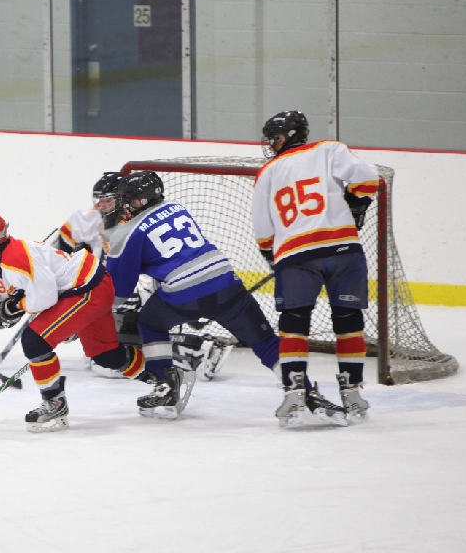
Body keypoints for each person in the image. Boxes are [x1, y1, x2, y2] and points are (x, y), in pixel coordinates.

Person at [106, 170, 348, 426]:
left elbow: (119, 292)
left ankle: (164, 386)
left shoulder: (126, 232)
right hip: (225, 282)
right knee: (265, 341)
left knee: (150, 323)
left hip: (184, 294)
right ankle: (305, 392)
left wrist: (97, 314)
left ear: (137, 200)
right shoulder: (176, 208)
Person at [0, 212, 146, 432]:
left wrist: (14, 307)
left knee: (35, 340)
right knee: (105, 354)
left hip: (87, 288)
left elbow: (45, 298)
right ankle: (160, 377)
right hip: (84, 288)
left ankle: (55, 403)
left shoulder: (16, 257)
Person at [253, 110, 378, 426]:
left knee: (293, 325)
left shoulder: (267, 172)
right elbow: (367, 177)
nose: (271, 145)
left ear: (292, 135)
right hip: (344, 250)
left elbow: (263, 228)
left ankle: (295, 394)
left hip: (296, 257)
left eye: (275, 139)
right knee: (349, 323)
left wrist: (271, 255)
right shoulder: (329, 149)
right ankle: (353, 394)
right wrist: (357, 202)